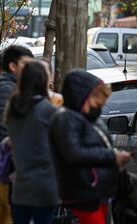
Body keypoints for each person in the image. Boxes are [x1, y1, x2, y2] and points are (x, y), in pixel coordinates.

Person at [49, 70, 132, 224]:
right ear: (81, 96)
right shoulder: (66, 118)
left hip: (99, 190)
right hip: (83, 190)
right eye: (95, 97)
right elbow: (74, 153)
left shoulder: (92, 118)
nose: (100, 103)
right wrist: (112, 157)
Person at [0, 45, 33, 224]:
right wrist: (9, 158)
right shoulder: (6, 88)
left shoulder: (10, 86)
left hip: (1, 156)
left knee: (5, 209)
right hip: (4, 158)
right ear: (13, 66)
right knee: (11, 209)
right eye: (26, 64)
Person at [5, 61, 59, 224]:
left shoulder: (13, 108)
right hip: (45, 183)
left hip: (20, 183)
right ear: (42, 79)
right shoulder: (49, 110)